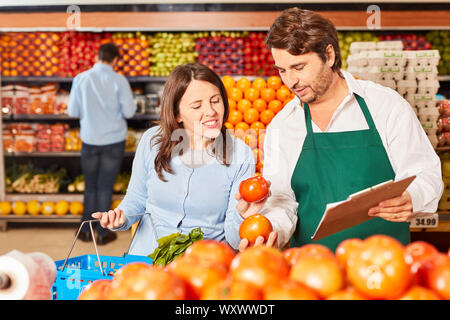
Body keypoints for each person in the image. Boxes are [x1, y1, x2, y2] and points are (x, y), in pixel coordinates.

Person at [236, 8, 443, 252]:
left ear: (329, 55)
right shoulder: (283, 125)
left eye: (299, 67)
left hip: (385, 266)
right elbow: (283, 201)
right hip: (313, 271)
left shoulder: (385, 105)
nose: (290, 81)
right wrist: (270, 229)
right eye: (282, 70)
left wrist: (412, 196)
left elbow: (425, 173)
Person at [91, 62, 255, 256]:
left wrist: (243, 215)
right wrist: (121, 218)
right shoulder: (152, 141)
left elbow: (235, 239)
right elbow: (137, 198)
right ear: (177, 114)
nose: (210, 111)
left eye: (215, 100)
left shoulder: (240, 154)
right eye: (197, 105)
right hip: (147, 260)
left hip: (204, 267)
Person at [68, 43, 136, 245]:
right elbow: (129, 113)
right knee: (105, 186)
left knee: (91, 186)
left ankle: (85, 230)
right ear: (115, 60)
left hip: (89, 139)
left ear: (97, 57)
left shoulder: (81, 78)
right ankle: (103, 232)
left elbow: (73, 112)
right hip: (113, 140)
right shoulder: (120, 80)